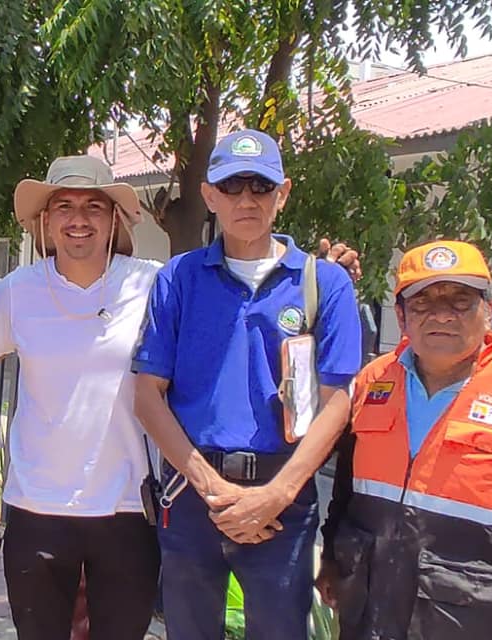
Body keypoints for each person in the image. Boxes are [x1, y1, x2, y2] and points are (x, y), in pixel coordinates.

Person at [133, 129, 363, 640]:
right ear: (209, 195)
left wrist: (277, 494)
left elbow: (337, 402)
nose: (245, 199)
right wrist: (211, 488)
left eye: (259, 186)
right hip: (192, 493)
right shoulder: (179, 278)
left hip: (284, 496)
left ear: (283, 193)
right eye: (231, 186)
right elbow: (147, 396)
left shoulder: (324, 283)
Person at [315, 240, 492, 639]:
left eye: (460, 300)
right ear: (401, 316)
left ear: (488, 311)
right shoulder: (371, 383)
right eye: (422, 302)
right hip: (370, 617)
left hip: (478, 622)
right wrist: (332, 556)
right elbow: (346, 489)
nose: (442, 314)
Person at [0, 155, 162, 640]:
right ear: (45, 221)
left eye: (94, 206)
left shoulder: (152, 283)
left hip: (126, 508)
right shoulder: (18, 291)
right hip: (38, 508)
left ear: (114, 218)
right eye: (64, 206)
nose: (78, 219)